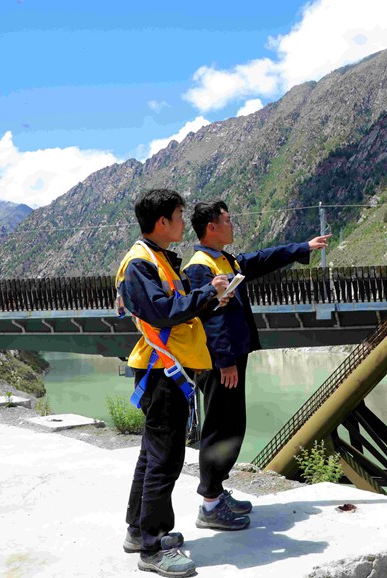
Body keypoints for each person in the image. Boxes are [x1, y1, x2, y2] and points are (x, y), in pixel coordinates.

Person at [183, 200, 330, 528]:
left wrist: (302, 248)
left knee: (233, 425)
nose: (232, 225)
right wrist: (225, 361)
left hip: (233, 358)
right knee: (220, 427)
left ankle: (217, 492)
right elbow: (212, 318)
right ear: (211, 227)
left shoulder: (225, 259)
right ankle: (209, 506)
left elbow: (262, 259)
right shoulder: (200, 267)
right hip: (220, 362)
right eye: (227, 220)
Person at [115, 188, 234, 577]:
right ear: (162, 222)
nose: (184, 223)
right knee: (164, 460)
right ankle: (153, 547)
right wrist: (207, 291)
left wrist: (210, 298)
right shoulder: (140, 264)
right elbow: (163, 312)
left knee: (152, 455)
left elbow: (177, 308)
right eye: (180, 216)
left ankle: (139, 531)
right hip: (163, 372)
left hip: (167, 370)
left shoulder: (159, 259)